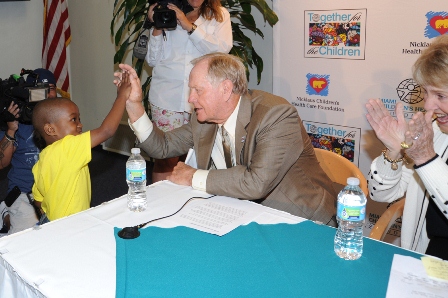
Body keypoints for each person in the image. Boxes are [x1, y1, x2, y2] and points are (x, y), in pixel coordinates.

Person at [122, 53, 337, 226]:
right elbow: (162, 147)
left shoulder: (276, 115)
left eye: (198, 90)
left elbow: (256, 183)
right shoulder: (204, 120)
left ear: (225, 89)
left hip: (300, 220)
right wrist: (134, 105)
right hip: (243, 215)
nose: (190, 98)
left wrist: (192, 176)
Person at [365, 34, 448, 260]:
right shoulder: (435, 131)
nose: (429, 105)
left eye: (441, 95)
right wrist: (394, 151)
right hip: (423, 264)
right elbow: (381, 194)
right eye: (426, 93)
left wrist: (426, 158)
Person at [145, 0, 232, 182]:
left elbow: (222, 51)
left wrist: (189, 26)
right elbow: (152, 60)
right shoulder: (167, 11)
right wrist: (156, 26)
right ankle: (160, 205)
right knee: (165, 157)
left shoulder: (219, 15)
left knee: (196, 160)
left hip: (202, 99)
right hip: (167, 98)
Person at [30, 68, 131, 222]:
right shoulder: (68, 147)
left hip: (51, 221)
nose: (80, 124)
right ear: (50, 129)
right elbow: (107, 130)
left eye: (79, 119)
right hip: (72, 224)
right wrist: (122, 96)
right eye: (73, 119)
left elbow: (38, 201)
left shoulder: (41, 160)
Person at [0, 69, 57, 236]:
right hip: (24, 192)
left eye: (51, 88)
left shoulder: (62, 116)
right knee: (30, 238)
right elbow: (2, 163)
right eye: (40, 89)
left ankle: (9, 215)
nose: (47, 94)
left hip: (53, 189)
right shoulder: (16, 118)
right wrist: (11, 128)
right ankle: (7, 214)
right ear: (29, 92)